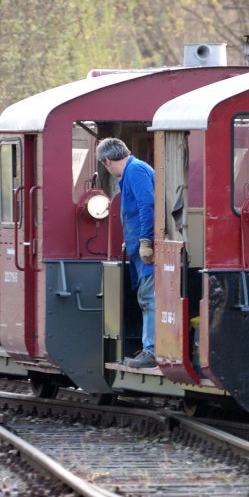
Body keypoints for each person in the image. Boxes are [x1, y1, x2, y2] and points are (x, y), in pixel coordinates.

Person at [96, 138, 156, 368]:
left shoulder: (136, 171)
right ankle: (149, 347)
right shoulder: (132, 171)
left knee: (149, 296)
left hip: (146, 249)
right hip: (138, 248)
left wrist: (145, 240)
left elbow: (146, 206)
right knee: (145, 296)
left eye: (105, 165)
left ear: (108, 160)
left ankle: (151, 352)